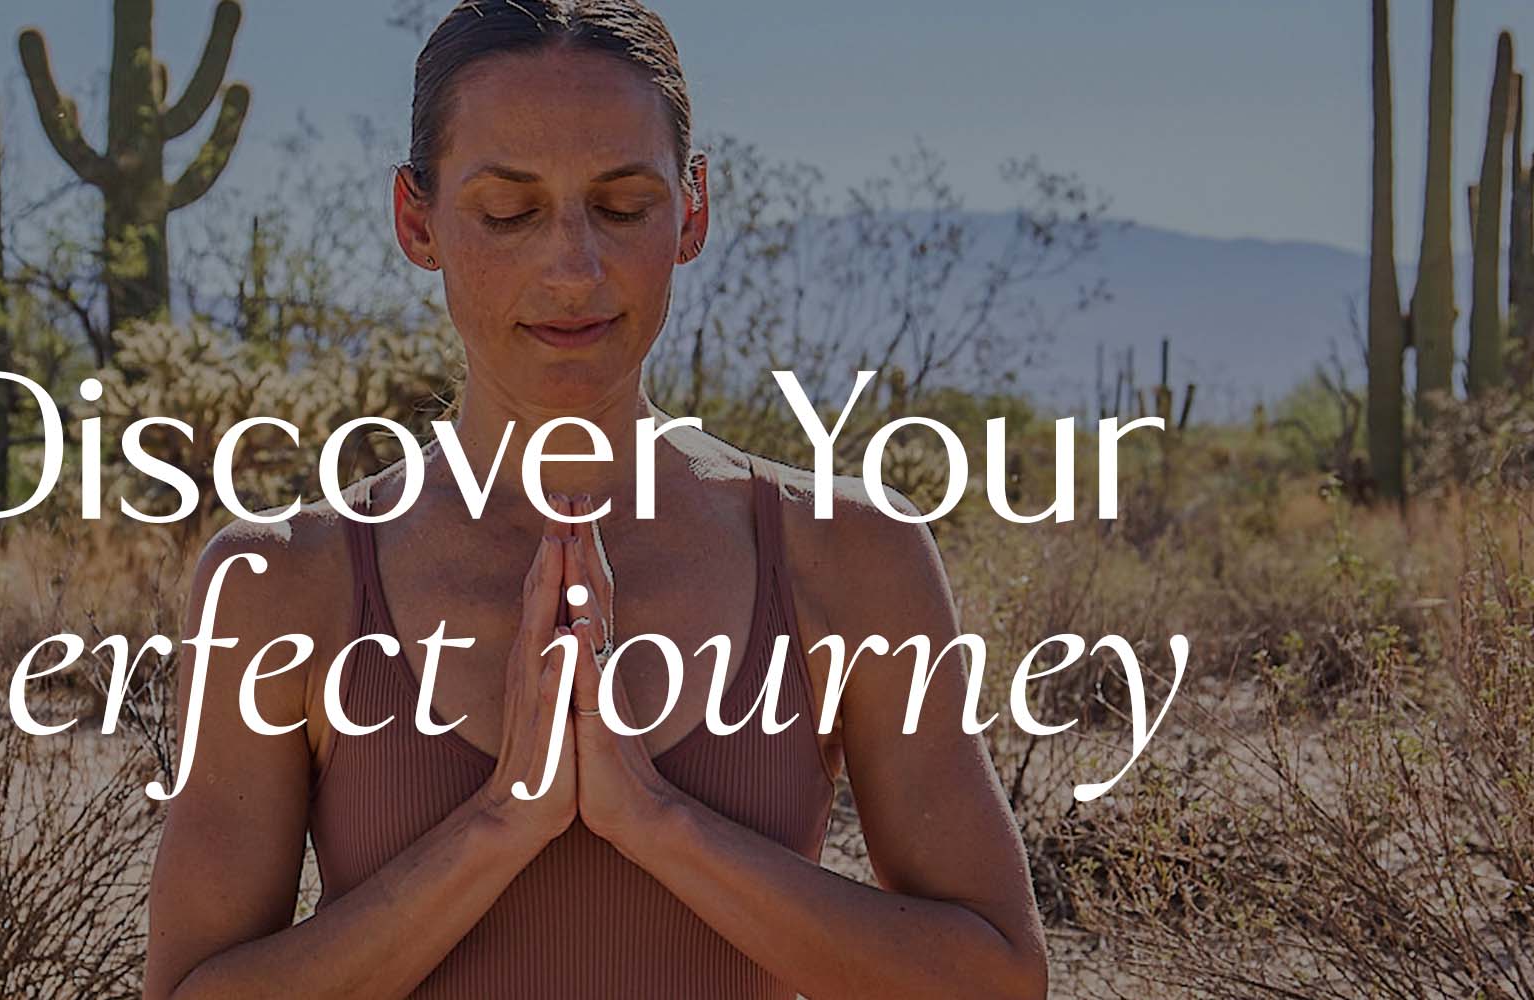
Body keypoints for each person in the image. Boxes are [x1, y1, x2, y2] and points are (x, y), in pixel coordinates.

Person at [143, 2, 1049, 997]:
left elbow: (995, 980)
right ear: (417, 220)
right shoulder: (283, 583)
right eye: (507, 212)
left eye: (621, 207)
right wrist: (499, 824)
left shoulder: (849, 557)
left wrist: (657, 821)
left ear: (691, 209)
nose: (572, 266)